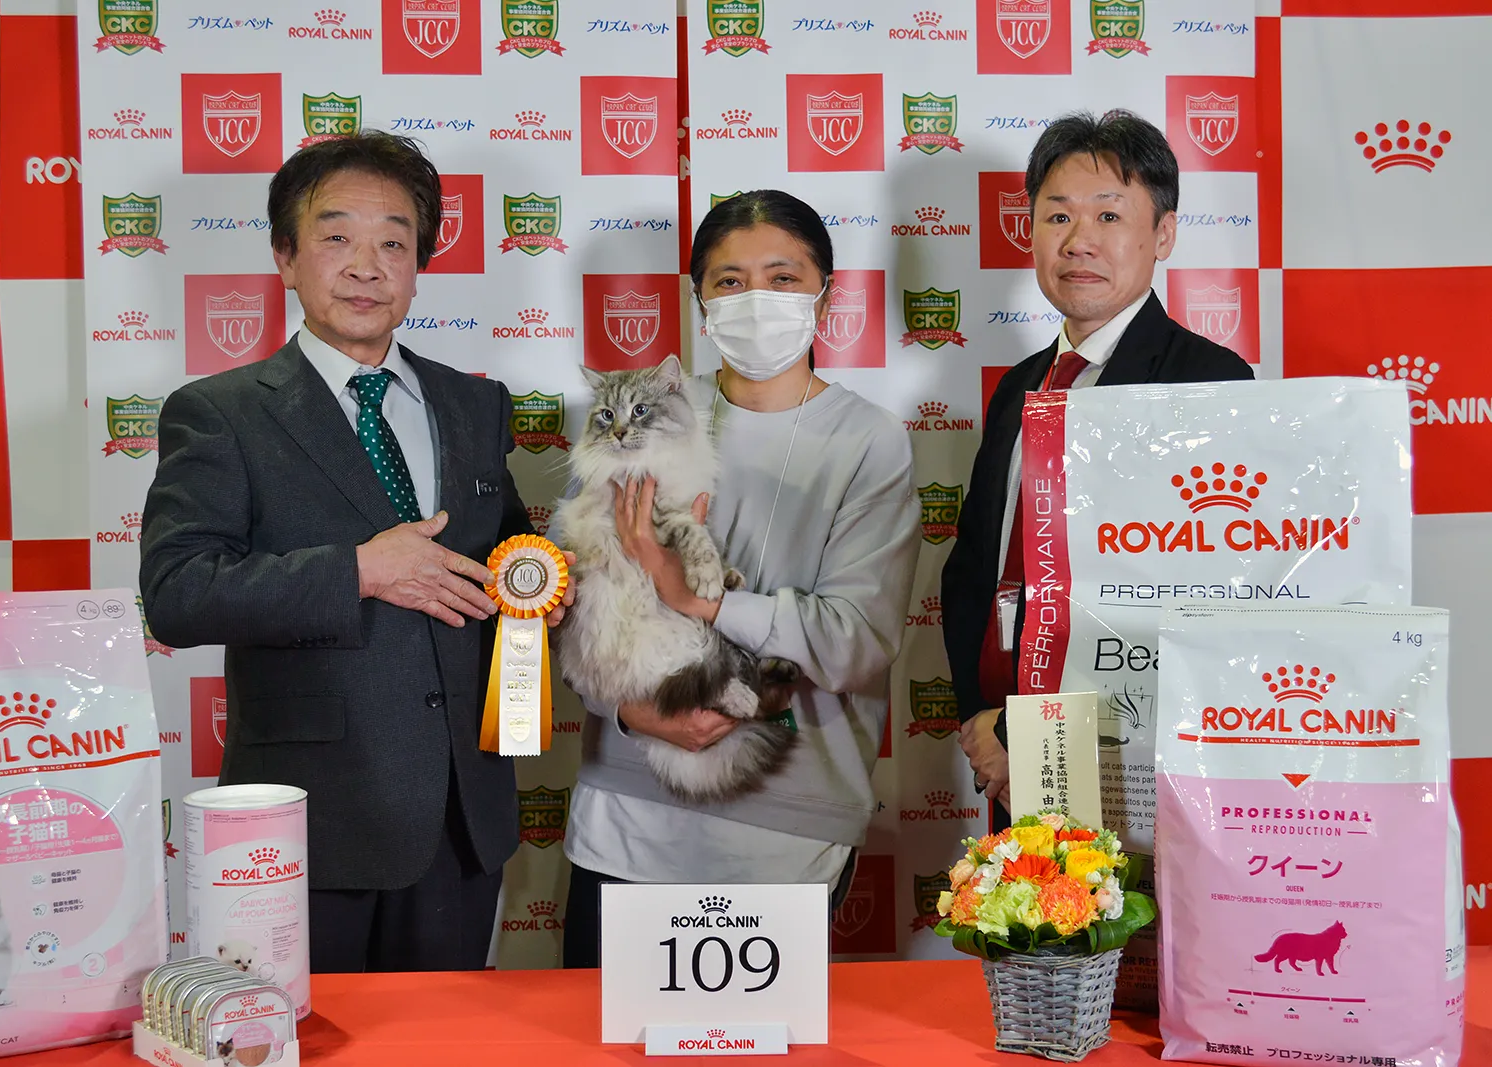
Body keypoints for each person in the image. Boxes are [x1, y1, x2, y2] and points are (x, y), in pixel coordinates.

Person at [139, 131, 567, 973]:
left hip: (462, 816)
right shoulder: (220, 412)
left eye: (394, 244)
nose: (367, 267)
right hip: (310, 822)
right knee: (305, 1033)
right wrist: (363, 570)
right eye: (337, 237)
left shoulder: (474, 406)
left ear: (419, 266)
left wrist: (548, 580)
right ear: (286, 256)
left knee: (446, 1035)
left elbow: (508, 553)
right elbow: (179, 594)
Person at [559, 190, 921, 967]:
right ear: (699, 300)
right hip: (626, 821)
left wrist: (703, 599)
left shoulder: (869, 440)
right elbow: (575, 609)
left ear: (826, 292)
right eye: (730, 281)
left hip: (786, 832)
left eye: (783, 278)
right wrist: (633, 710)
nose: (756, 299)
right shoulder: (641, 414)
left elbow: (857, 642)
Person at [939, 110, 1253, 828]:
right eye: (1058, 216)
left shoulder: (1208, 381)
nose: (1079, 241)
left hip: (1134, 760)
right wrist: (984, 721)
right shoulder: (1019, 386)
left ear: (1163, 235)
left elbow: (1190, 603)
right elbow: (972, 569)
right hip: (1007, 757)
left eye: (1109, 215)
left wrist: (1024, 731)